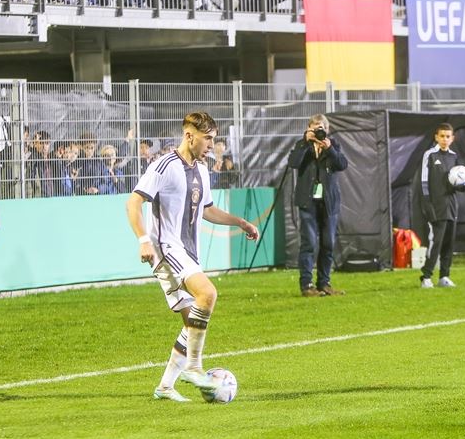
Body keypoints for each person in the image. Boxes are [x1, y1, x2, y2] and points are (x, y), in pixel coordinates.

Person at [126, 111, 260, 402]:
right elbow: (133, 202)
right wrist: (143, 240)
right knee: (208, 294)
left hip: (187, 252)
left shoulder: (201, 170)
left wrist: (240, 222)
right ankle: (194, 369)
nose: (212, 145)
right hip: (166, 249)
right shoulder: (164, 165)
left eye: (213, 139)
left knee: (193, 322)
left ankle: (165, 387)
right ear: (190, 136)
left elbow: (208, 209)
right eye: (208, 139)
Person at [288, 114, 349, 297]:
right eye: (315, 128)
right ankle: (306, 285)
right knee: (308, 243)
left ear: (327, 129)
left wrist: (329, 148)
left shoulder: (333, 145)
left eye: (321, 128)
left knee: (328, 243)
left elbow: (342, 164)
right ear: (309, 129)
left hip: (328, 202)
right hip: (307, 202)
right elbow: (293, 163)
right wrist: (305, 143)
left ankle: (324, 283)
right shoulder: (302, 145)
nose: (318, 131)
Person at [419, 123, 465, 288]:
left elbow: (458, 182)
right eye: (442, 136)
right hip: (436, 205)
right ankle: (426, 277)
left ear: (452, 139)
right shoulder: (430, 155)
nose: (445, 139)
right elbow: (424, 182)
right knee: (436, 242)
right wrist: (427, 204)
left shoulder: (454, 157)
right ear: (436, 137)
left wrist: (463, 185)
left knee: (449, 242)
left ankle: (444, 276)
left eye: (448, 136)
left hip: (452, 205)